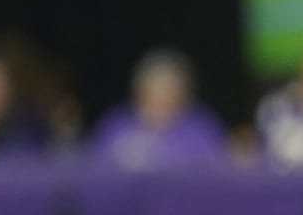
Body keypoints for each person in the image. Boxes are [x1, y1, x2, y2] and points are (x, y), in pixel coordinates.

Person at [87, 49, 228, 169]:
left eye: (170, 90)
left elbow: (216, 175)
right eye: (155, 90)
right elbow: (95, 172)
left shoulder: (200, 129)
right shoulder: (115, 125)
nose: (163, 98)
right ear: (140, 91)